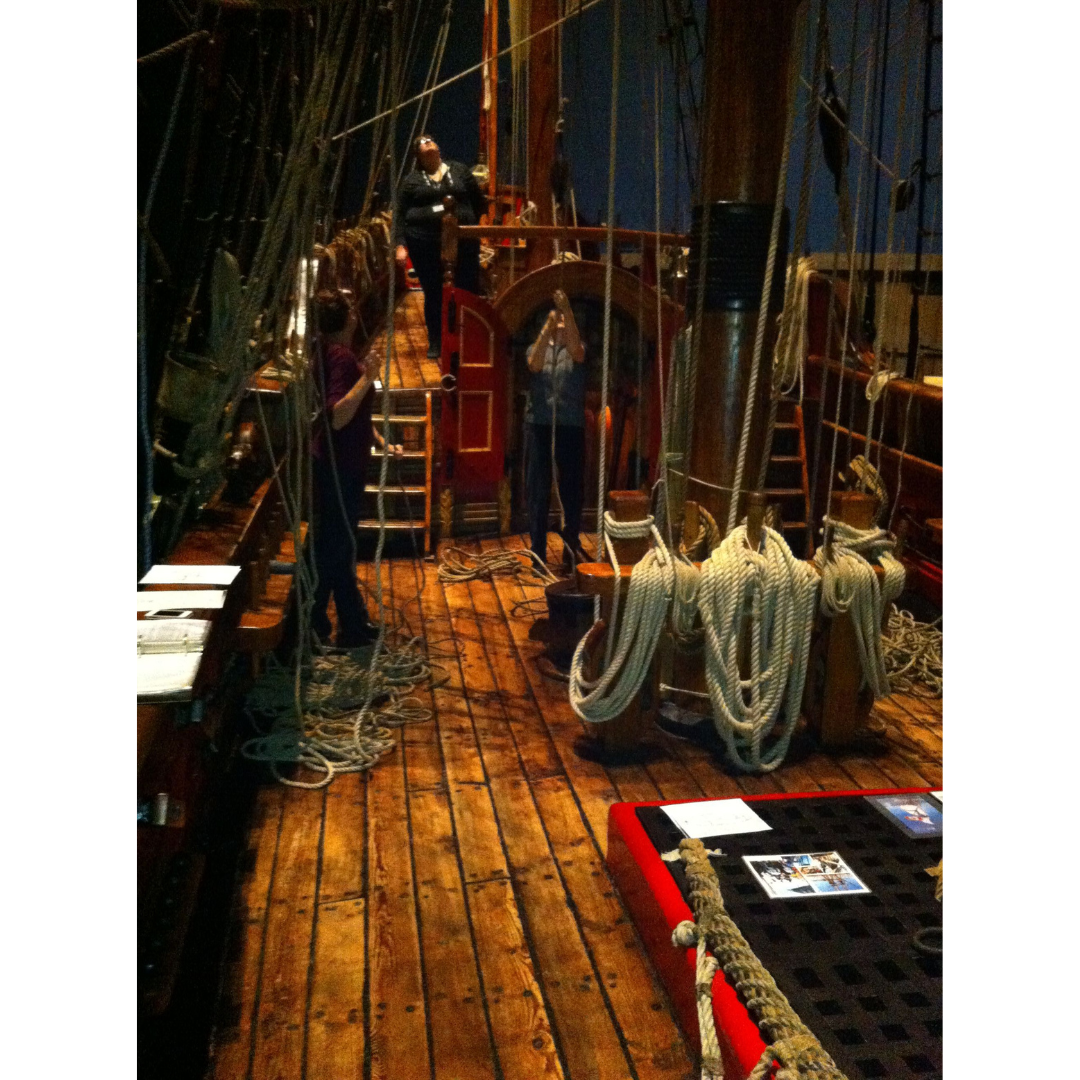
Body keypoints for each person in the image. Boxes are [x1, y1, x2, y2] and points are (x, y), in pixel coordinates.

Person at [310, 291, 381, 648]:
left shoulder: (327, 353)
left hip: (339, 463)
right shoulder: (339, 357)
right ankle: (329, 624)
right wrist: (368, 377)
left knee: (338, 546)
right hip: (342, 468)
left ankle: (344, 622)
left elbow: (352, 414)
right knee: (338, 548)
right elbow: (338, 414)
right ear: (349, 319)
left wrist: (379, 438)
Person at [394, 134, 486, 359]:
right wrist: (399, 245)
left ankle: (469, 338)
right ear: (417, 155)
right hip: (424, 244)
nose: (426, 143)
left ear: (438, 146)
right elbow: (399, 214)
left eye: (429, 140)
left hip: (463, 242)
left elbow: (478, 201)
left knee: (467, 288)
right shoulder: (412, 181)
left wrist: (476, 226)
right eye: (421, 143)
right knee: (434, 292)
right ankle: (436, 340)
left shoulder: (459, 170)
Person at [524, 288, 587, 567]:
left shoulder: (577, 347)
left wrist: (567, 311)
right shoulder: (536, 347)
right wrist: (547, 328)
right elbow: (534, 365)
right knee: (537, 492)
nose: (560, 321)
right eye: (557, 319)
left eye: (565, 320)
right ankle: (537, 553)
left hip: (570, 427)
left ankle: (569, 551)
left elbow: (577, 351)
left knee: (571, 492)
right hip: (539, 425)